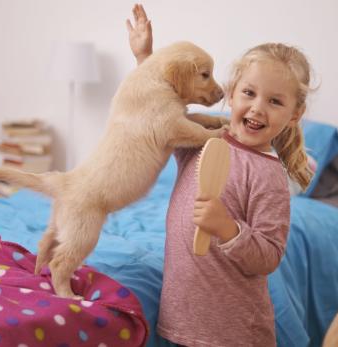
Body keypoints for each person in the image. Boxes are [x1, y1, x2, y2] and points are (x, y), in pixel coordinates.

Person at [127, 4, 315, 346]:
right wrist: (145, 58)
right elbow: (162, 111)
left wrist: (228, 228)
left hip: (235, 332)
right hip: (180, 321)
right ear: (231, 93)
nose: (258, 107)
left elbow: (269, 256)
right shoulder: (202, 140)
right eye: (249, 93)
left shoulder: (268, 176)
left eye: (275, 101)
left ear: (294, 114)